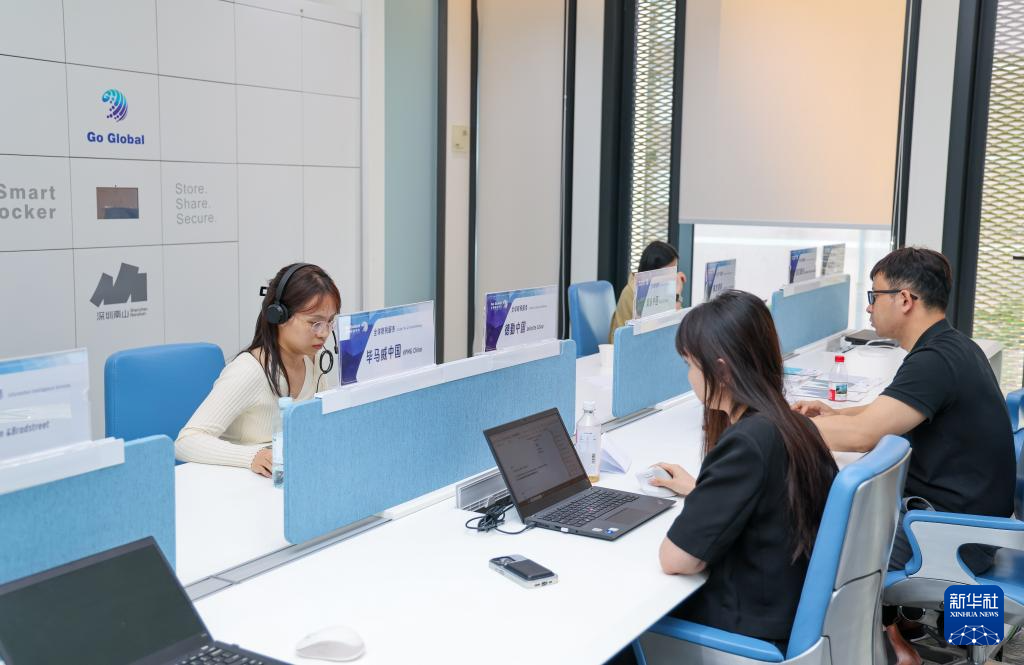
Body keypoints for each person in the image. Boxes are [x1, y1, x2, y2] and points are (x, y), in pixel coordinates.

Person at [793, 247, 1014, 665]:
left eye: (874, 296)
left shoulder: (934, 361)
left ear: (905, 299)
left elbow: (863, 436)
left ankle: (888, 648)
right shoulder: (953, 346)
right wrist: (834, 414)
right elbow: (889, 411)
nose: (869, 307)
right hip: (979, 523)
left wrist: (773, 428)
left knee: (818, 544)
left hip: (951, 537)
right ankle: (904, 628)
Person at [611, 291, 837, 664]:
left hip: (748, 629)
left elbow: (677, 560)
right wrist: (703, 490)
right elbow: (771, 500)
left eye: (690, 365)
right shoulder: (796, 426)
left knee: (618, 622)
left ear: (721, 370)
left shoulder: (747, 443)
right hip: (786, 610)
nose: (689, 377)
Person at [175, 263, 342, 476]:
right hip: (240, 484)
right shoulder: (249, 371)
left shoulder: (313, 361)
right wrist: (251, 456)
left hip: (288, 479)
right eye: (315, 323)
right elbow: (186, 442)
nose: (324, 333)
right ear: (279, 316)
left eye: (329, 322)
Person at [608, 240, 687, 343]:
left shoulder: (659, 287)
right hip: (627, 346)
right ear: (654, 271)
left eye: (675, 270)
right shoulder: (635, 293)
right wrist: (677, 293)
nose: (674, 276)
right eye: (670, 271)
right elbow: (669, 323)